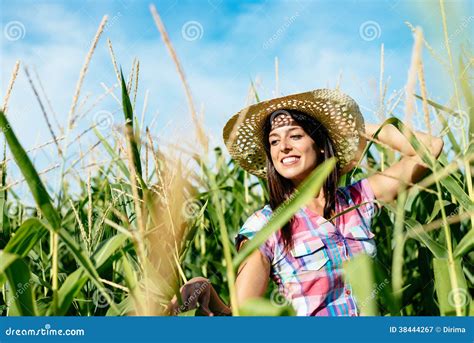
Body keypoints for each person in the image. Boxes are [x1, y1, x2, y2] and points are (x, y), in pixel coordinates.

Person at [168, 89, 444, 316]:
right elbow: (242, 314)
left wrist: (351, 129)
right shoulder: (266, 224)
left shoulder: (358, 199)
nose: (283, 147)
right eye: (274, 142)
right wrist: (202, 287)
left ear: (321, 144)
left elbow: (429, 149)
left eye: (296, 136)